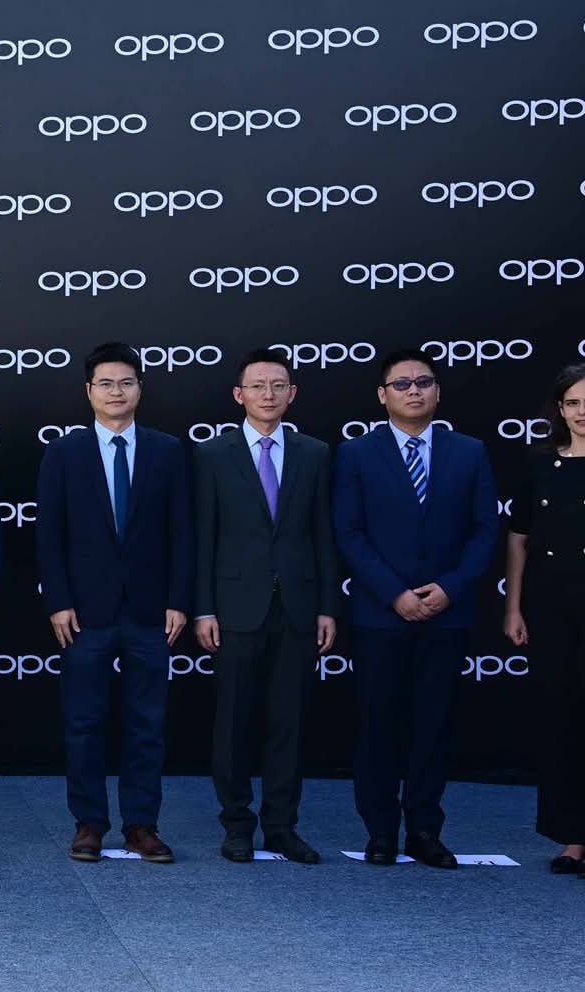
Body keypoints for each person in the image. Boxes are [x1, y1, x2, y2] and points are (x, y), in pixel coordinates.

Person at [333, 349, 499, 869]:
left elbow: (485, 530)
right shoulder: (356, 454)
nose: (413, 391)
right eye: (401, 384)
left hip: (447, 614)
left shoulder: (469, 452)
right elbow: (349, 532)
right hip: (381, 614)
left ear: (437, 392)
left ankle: (425, 830)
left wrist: (450, 588)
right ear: (382, 395)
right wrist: (394, 593)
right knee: (377, 725)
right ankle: (381, 831)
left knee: (433, 725)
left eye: (422, 382)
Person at [37, 343, 192, 864]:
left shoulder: (167, 450)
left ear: (140, 388)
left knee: (146, 724)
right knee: (84, 723)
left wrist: (179, 599)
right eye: (105, 383)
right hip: (84, 612)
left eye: (126, 382)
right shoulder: (64, 452)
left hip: (151, 610)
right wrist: (58, 601)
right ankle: (89, 823)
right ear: (89, 391)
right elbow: (49, 534)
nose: (116, 391)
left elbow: (183, 531)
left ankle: (142, 825)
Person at [192, 349, 337, 865]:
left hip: (298, 607)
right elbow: (203, 537)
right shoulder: (213, 454)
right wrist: (203, 608)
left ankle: (281, 826)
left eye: (278, 385)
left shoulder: (315, 453)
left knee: (288, 723)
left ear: (292, 393)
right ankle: (237, 825)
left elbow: (324, 535)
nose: (268, 394)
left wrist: (327, 606)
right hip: (234, 607)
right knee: (233, 722)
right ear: (239, 395)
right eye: (257, 386)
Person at [504, 362, 585, 879]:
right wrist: (513, 607)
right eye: (573, 403)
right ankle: (573, 834)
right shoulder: (540, 464)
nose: (583, 412)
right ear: (560, 409)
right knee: (561, 720)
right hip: (551, 607)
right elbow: (519, 538)